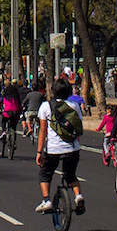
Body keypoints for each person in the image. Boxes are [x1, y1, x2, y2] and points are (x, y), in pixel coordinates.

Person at [35, 78, 85, 214]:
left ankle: (46, 200)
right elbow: (78, 125)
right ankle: (78, 195)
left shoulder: (45, 106)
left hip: (53, 149)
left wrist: (39, 152)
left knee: (45, 174)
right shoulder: (74, 106)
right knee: (71, 175)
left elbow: (43, 130)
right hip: (73, 148)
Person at [0, 82, 22, 153]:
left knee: (3, 121)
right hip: (15, 113)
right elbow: (20, 106)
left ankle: (4, 131)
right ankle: (14, 142)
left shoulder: (5, 97)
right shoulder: (16, 98)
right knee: (14, 127)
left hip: (7, 113)